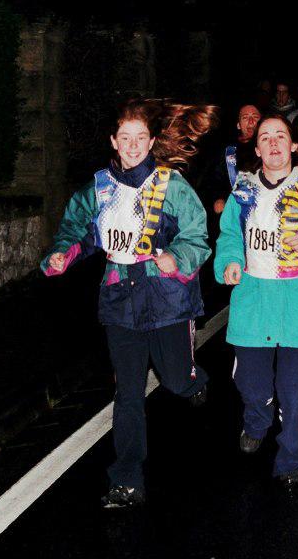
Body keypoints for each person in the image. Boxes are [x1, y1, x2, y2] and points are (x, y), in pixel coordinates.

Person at [41, 99, 216, 508]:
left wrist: (178, 257)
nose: (133, 145)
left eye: (140, 138)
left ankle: (194, 379)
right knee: (129, 392)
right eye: (126, 138)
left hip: (168, 299)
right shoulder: (99, 188)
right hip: (121, 299)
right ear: (114, 142)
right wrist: (62, 254)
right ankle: (127, 479)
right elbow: (77, 230)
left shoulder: (171, 186)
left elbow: (196, 235)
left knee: (175, 381)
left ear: (152, 142)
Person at [214, 114, 298, 486]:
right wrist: (230, 261)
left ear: (293, 145)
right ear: (257, 148)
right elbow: (230, 235)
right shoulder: (243, 190)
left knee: (294, 394)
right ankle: (257, 418)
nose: (274, 142)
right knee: (252, 384)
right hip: (254, 302)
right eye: (265, 137)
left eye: (281, 135)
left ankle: (292, 456)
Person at [209, 104, 261, 216]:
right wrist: (219, 198)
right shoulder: (228, 151)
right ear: (238, 125)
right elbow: (216, 180)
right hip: (235, 209)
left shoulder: (270, 146)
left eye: (255, 117)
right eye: (245, 117)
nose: (251, 121)